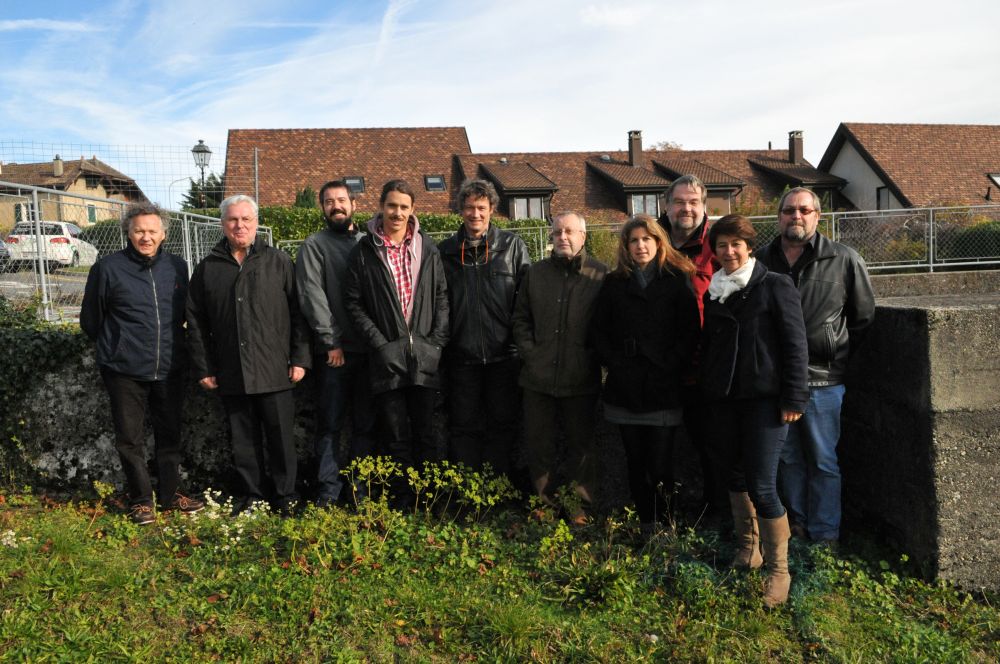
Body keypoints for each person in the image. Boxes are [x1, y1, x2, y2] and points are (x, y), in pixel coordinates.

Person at [699, 214, 809, 608]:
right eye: (722, 245)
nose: (728, 252)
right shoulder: (717, 289)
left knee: (763, 485)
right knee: (734, 475)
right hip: (725, 400)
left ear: (748, 247)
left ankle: (779, 570)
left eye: (735, 245)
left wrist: (795, 397)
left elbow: (796, 344)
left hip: (765, 400)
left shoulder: (774, 285)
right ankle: (749, 548)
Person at [756, 187, 875, 544]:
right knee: (788, 459)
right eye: (789, 210)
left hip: (824, 382)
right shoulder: (761, 260)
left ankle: (825, 536)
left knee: (824, 461)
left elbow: (863, 317)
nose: (797, 216)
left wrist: (832, 353)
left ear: (817, 216)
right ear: (778, 216)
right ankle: (799, 524)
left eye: (804, 210)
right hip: (776, 383)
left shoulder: (844, 259)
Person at [186, 194, 311, 516]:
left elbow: (299, 312)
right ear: (222, 224)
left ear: (256, 223)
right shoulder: (207, 268)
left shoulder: (279, 261)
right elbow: (196, 321)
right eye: (232, 219)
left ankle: (286, 496)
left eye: (246, 219)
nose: (239, 225)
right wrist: (204, 367)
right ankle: (253, 496)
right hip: (231, 369)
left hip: (275, 368)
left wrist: (300, 358)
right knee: (243, 441)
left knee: (281, 439)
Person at [81, 203, 204, 525]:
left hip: (169, 366)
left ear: (164, 234)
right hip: (124, 369)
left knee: (170, 434)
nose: (145, 237)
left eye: (152, 231)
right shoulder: (107, 268)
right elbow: (91, 320)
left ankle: (170, 494)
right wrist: (118, 346)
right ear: (128, 233)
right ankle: (140, 500)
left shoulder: (177, 267)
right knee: (129, 439)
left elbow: (183, 314)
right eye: (139, 231)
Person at [344, 179, 449, 505]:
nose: (398, 213)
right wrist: (380, 344)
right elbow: (354, 303)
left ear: (412, 210)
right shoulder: (364, 251)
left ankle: (429, 500)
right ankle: (404, 501)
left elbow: (442, 298)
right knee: (396, 436)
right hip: (387, 358)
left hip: (425, 358)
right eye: (392, 206)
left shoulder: (427, 248)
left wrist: (435, 344)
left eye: (404, 207)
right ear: (382, 206)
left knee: (426, 434)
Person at [592, 215, 700, 526]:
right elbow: (599, 331)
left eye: (646, 240)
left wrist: (671, 363)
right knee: (635, 461)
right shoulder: (614, 283)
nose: (640, 246)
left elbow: (690, 330)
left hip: (663, 386)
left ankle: (668, 523)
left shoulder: (677, 279)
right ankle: (646, 524)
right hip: (625, 387)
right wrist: (615, 361)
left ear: (658, 242)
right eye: (634, 241)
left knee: (662, 463)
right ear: (625, 247)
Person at [512, 211, 608, 523]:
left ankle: (582, 508)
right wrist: (531, 353)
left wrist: (591, 358)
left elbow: (608, 326)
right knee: (539, 445)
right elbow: (521, 318)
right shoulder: (536, 273)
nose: (562, 237)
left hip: (580, 377)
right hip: (537, 377)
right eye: (557, 232)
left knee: (582, 448)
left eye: (569, 232)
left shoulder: (600, 275)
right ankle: (545, 506)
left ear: (583, 236)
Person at [438, 179, 530, 477]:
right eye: (468, 208)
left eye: (481, 207)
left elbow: (525, 301)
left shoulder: (512, 246)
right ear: (460, 211)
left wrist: (519, 344)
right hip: (461, 357)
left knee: (503, 425)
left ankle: (497, 486)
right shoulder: (446, 252)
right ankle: (468, 491)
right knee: (463, 426)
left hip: (504, 356)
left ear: (492, 209)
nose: (474, 214)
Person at [295, 180, 376, 507]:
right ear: (323, 208)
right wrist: (331, 342)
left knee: (366, 425)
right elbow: (312, 296)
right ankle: (328, 494)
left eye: (341, 200)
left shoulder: (369, 242)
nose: (336, 206)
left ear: (354, 203)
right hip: (335, 354)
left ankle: (361, 493)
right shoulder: (314, 245)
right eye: (329, 202)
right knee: (329, 425)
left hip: (369, 351)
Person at [657, 174, 726, 517]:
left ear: (703, 206)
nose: (686, 208)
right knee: (659, 449)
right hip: (662, 364)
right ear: (666, 206)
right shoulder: (650, 240)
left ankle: (716, 513)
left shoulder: (719, 242)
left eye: (693, 202)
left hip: (707, 365)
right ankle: (664, 516)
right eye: (679, 202)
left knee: (713, 446)